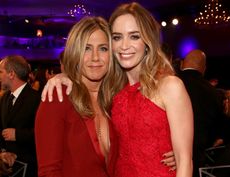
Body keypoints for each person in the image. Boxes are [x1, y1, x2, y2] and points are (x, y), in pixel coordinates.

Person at [42, 3, 192, 177]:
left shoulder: (170, 86)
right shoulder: (114, 91)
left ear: (148, 41)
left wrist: (177, 153)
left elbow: (185, 161)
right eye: (117, 37)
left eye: (134, 36)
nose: (124, 45)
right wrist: (64, 76)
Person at [35, 16, 120, 177]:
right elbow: (49, 171)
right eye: (86, 48)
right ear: (75, 53)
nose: (95, 57)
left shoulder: (117, 99)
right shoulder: (58, 96)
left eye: (103, 48)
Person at [179, 49, 230, 177]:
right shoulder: (214, 94)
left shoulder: (169, 83)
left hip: (166, 155)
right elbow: (220, 128)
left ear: (181, 64)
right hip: (197, 158)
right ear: (204, 68)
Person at [0, 55, 41, 177]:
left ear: (11, 74)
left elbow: (44, 134)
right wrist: (2, 153)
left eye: (1, 72)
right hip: (6, 166)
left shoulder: (37, 99)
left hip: (29, 168)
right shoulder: (4, 98)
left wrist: (18, 134)